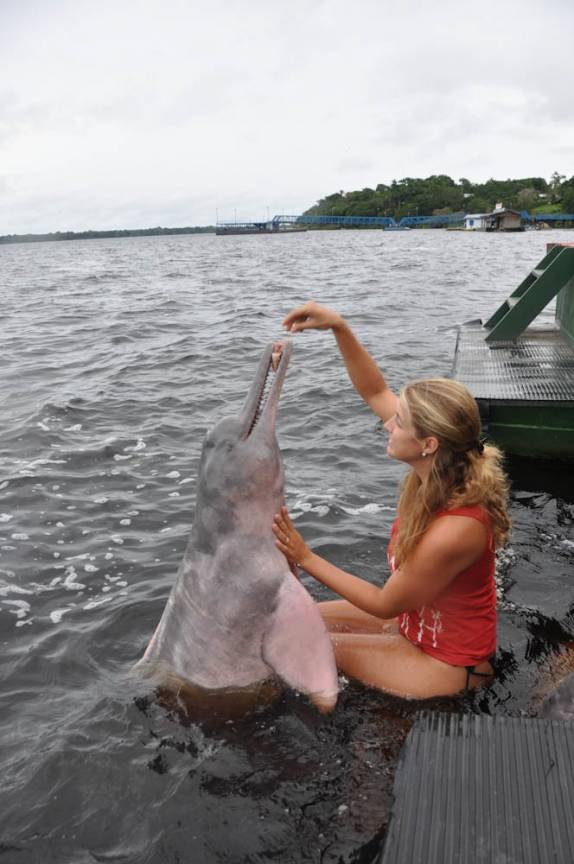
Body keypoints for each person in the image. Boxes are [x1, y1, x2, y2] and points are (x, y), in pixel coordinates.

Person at [272, 301, 511, 699]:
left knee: (295, 648)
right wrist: (339, 327)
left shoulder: (458, 529)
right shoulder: (444, 462)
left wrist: (303, 555)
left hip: (447, 664)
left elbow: (384, 603)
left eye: (399, 421)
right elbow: (374, 389)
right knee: (289, 623)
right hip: (409, 625)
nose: (388, 423)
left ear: (428, 444)